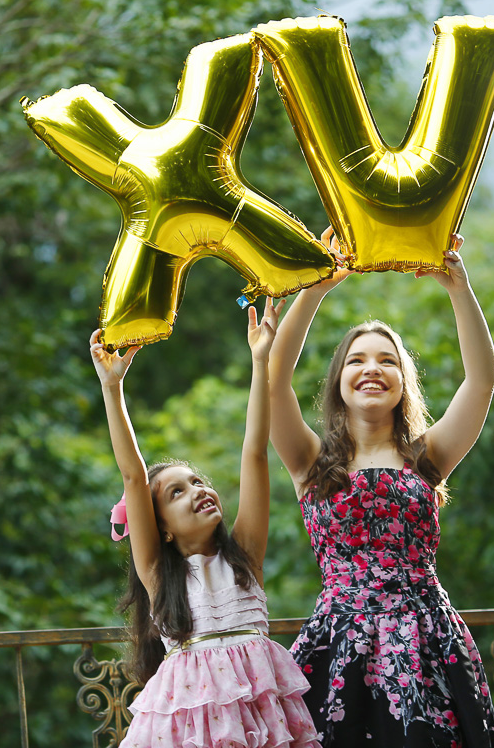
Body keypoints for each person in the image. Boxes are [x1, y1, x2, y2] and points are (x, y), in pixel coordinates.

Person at [267, 230, 494, 747]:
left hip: (428, 643)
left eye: (387, 359)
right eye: (356, 359)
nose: (372, 367)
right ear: (338, 382)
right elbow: (273, 382)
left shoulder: (429, 457)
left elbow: (481, 381)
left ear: (403, 382)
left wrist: (458, 287)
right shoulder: (309, 462)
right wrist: (316, 288)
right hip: (339, 647)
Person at [90, 299, 322, 748]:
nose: (198, 490)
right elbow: (134, 476)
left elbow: (255, 450)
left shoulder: (245, 555)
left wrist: (260, 361)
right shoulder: (159, 575)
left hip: (261, 723)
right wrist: (112, 388)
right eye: (177, 492)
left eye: (197, 481)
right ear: (163, 530)